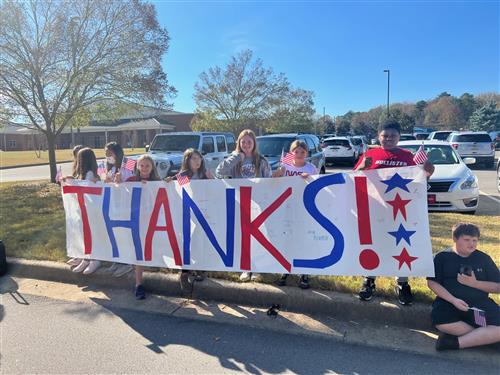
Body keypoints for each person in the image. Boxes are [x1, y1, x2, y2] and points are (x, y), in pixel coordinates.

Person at [354, 119, 434, 305]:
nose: (388, 139)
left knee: (402, 244)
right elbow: (354, 177)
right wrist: (362, 168)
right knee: (374, 243)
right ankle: (369, 280)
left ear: (399, 137)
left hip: (402, 210)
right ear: (378, 136)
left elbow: (420, 178)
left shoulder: (408, 156)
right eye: (385, 135)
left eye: (392, 136)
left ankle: (402, 283)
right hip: (375, 208)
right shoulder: (370, 154)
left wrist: (429, 171)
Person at [427, 223, 500, 351]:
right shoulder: (442, 257)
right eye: (467, 240)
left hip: (478, 304)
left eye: (474, 240)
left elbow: (498, 287)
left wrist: (475, 284)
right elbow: (432, 283)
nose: (471, 244)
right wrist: (453, 300)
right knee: (441, 322)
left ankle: (454, 343)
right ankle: (488, 339)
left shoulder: (483, 259)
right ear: (455, 239)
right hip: (449, 302)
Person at [216, 129, 272, 282]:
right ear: (239, 143)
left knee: (259, 236)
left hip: (258, 203)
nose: (246, 144)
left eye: (249, 141)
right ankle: (246, 267)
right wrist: (235, 158)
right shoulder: (234, 159)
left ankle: (258, 268)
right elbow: (219, 172)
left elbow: (269, 180)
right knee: (243, 236)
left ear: (254, 143)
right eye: (243, 141)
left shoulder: (261, 160)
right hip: (240, 202)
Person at [273, 140, 318, 289]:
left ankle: (304, 272)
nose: (298, 154)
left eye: (302, 152)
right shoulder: (284, 166)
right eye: (296, 151)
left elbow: (318, 187)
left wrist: (310, 178)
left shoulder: (311, 168)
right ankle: (286, 269)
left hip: (305, 209)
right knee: (287, 240)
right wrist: (277, 174)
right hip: (286, 208)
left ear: (307, 153)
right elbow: (272, 181)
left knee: (304, 240)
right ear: (291, 153)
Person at [166, 148, 213, 290]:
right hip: (187, 213)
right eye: (193, 158)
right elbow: (174, 188)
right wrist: (169, 180)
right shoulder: (185, 175)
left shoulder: (204, 174)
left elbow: (216, 189)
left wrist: (213, 180)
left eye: (199, 158)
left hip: (202, 213)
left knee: (200, 241)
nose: (197, 161)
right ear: (187, 160)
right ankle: (184, 272)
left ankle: (199, 267)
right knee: (187, 242)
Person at [123, 154, 161, 300]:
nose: (144, 168)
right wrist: (116, 181)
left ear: (152, 168)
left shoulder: (157, 182)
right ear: (137, 167)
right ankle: (138, 284)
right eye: (141, 165)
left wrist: (166, 183)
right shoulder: (131, 180)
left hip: (154, 222)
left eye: (147, 166)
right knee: (139, 254)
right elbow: (118, 192)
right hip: (136, 222)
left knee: (150, 251)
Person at [68, 148, 102, 275]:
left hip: (91, 211)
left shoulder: (90, 175)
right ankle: (86, 257)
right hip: (82, 210)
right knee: (84, 234)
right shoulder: (81, 174)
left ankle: (95, 259)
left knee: (92, 235)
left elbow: (86, 188)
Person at [102, 142, 134, 277]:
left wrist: (122, 181)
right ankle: (119, 259)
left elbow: (134, 179)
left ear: (117, 152)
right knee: (115, 233)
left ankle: (128, 262)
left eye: (110, 153)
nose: (107, 156)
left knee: (125, 233)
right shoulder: (109, 167)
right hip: (114, 204)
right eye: (106, 154)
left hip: (126, 204)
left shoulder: (130, 162)